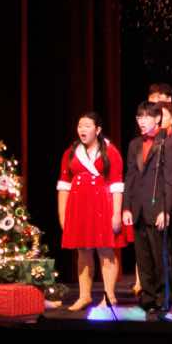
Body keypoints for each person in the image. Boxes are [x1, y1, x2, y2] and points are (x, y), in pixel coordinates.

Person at [57, 110, 125, 311]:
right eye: (80, 126)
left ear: (98, 129)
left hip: (103, 205)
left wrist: (116, 213)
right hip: (78, 206)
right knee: (83, 251)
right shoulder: (71, 152)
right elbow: (64, 186)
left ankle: (109, 296)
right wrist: (62, 214)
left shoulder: (110, 152)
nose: (82, 129)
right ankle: (84, 295)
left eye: (87, 126)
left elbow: (117, 185)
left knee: (105, 251)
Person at [121, 100, 172, 315]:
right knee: (143, 257)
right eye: (139, 117)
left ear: (157, 118)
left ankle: (162, 297)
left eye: (146, 117)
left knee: (160, 256)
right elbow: (130, 176)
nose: (142, 121)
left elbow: (170, 180)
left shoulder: (168, 144)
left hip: (157, 207)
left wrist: (166, 210)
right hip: (138, 208)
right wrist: (126, 207)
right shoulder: (134, 145)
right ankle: (147, 297)